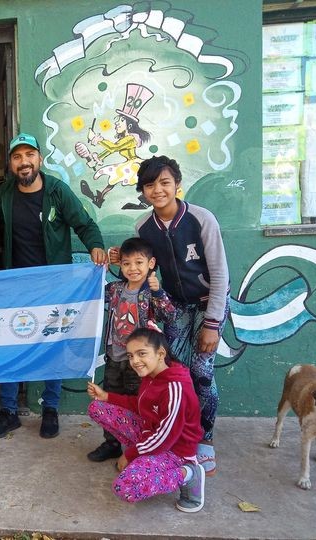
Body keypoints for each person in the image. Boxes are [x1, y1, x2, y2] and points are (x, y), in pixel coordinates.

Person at [111, 155, 230, 476]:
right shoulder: (143, 227)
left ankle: (204, 439)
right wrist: (118, 258)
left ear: (178, 184)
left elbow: (220, 275)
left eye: (164, 182)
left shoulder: (202, 219)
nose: (158, 190)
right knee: (175, 373)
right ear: (143, 191)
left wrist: (212, 325)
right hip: (174, 307)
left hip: (208, 304)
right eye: (150, 185)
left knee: (202, 373)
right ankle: (172, 433)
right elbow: (141, 263)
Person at [0, 132, 107, 439]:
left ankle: (50, 409)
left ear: (39, 159)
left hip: (55, 287)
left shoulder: (56, 191)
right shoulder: (4, 194)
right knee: (10, 345)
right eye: (17, 157)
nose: (23, 162)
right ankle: (9, 411)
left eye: (29, 155)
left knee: (54, 345)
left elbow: (84, 223)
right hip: (17, 286)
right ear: (11, 163)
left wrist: (95, 246)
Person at [87, 328, 205, 512]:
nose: (134, 361)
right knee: (97, 408)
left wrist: (130, 454)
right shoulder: (151, 376)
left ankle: (189, 473)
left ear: (160, 354)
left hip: (175, 451)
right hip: (151, 435)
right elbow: (140, 405)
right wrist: (107, 396)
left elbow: (166, 438)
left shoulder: (175, 388)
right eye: (131, 355)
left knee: (124, 488)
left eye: (142, 353)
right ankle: (145, 457)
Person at [87, 237, 176, 461]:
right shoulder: (115, 289)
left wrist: (158, 293)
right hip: (115, 358)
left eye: (139, 262)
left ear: (151, 263)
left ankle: (140, 445)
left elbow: (169, 315)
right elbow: (92, 293)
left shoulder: (151, 291)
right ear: (121, 265)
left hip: (140, 363)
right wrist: (102, 266)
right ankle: (112, 443)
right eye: (127, 263)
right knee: (111, 398)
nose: (133, 268)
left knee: (140, 403)